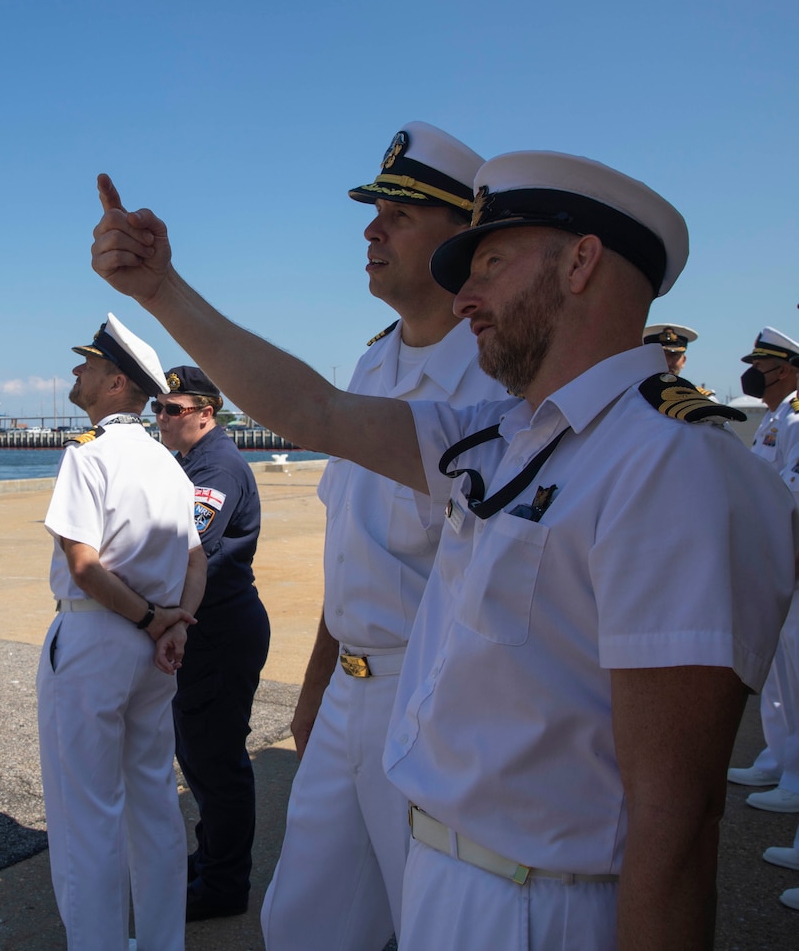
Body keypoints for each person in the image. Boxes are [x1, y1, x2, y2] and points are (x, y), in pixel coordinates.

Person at [91, 151, 797, 950]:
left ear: (581, 261)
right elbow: (313, 407)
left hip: (545, 907)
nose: (466, 297)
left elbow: (677, 821)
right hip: (446, 872)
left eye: (491, 261)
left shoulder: (674, 468)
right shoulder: (501, 440)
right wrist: (161, 291)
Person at [258, 122, 504, 951]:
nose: (371, 230)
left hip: (436, 697)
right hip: (349, 693)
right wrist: (317, 682)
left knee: (434, 921)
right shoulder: (373, 367)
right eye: (375, 211)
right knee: (302, 922)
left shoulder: (492, 380)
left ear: (462, 236)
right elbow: (350, 551)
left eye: (397, 212)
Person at [37, 312, 206, 951]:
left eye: (87, 365)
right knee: (154, 805)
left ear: (114, 383)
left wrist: (150, 619)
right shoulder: (166, 461)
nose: (75, 372)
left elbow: (83, 566)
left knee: (88, 817)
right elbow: (195, 559)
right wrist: (175, 625)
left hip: (96, 640)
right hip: (156, 652)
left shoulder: (88, 456)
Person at [153, 365, 271, 922]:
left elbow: (187, 545)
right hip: (212, 626)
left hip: (220, 630)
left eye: (172, 409)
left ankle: (224, 885)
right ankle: (212, 861)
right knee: (201, 758)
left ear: (206, 413)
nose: (161, 418)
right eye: (158, 407)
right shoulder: (194, 462)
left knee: (216, 761)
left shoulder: (216, 466)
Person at [726, 328, 799, 814]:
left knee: (795, 670)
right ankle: (779, 757)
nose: (755, 374)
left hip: (791, 557)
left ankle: (795, 778)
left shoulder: (796, 417)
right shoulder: (776, 416)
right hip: (774, 556)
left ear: (788, 369)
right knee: (778, 672)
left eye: (764, 365)